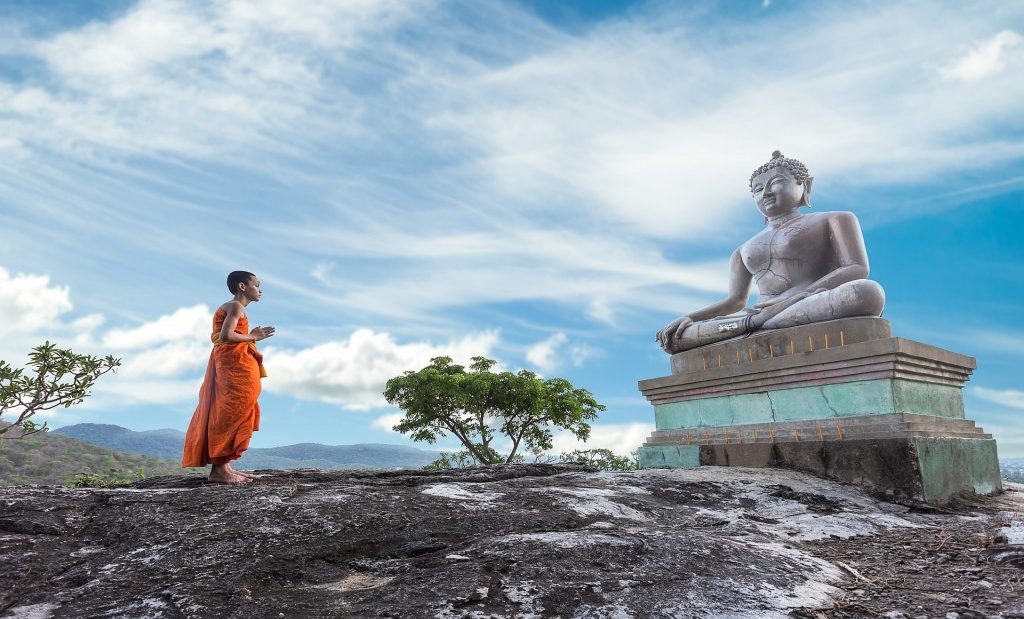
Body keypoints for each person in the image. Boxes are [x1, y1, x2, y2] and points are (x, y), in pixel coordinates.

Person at [656, 151, 885, 353]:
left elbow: (857, 268)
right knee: (678, 338)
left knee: (866, 293)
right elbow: (735, 301)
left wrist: (796, 296)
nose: (765, 192)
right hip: (754, 314)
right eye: (757, 189)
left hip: (806, 303)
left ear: (805, 184)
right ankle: (757, 323)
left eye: (775, 183)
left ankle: (757, 325)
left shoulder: (835, 219)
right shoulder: (742, 250)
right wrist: (691, 318)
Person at [182, 271, 275, 484]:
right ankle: (219, 470)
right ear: (242, 287)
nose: (260, 290)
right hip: (234, 367)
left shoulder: (236, 309)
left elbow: (228, 335)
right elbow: (226, 336)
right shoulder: (235, 306)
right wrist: (254, 336)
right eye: (257, 285)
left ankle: (225, 465)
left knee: (235, 410)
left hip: (237, 363)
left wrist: (250, 335)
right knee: (230, 411)